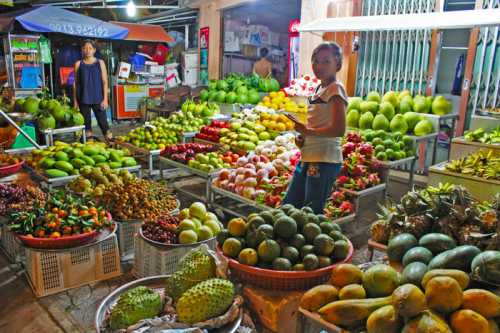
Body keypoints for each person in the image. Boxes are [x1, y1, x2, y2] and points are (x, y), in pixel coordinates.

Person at [282, 42, 347, 214]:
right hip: (309, 156)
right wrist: (303, 138)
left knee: (309, 211)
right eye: (316, 61)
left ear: (338, 65)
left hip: (324, 160)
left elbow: (339, 129)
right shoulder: (319, 88)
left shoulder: (335, 89)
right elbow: (318, 123)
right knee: (289, 205)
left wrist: (308, 131)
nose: (319, 66)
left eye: (326, 61)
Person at [73, 40, 111, 140]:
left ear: (94, 50)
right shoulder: (78, 64)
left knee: (104, 125)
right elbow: (75, 84)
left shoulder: (100, 63)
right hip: (83, 99)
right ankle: (90, 145)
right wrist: (75, 102)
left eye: (90, 48)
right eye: (85, 48)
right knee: (87, 128)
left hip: (98, 98)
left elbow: (105, 82)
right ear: (82, 50)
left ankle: (111, 144)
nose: (87, 50)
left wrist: (105, 99)